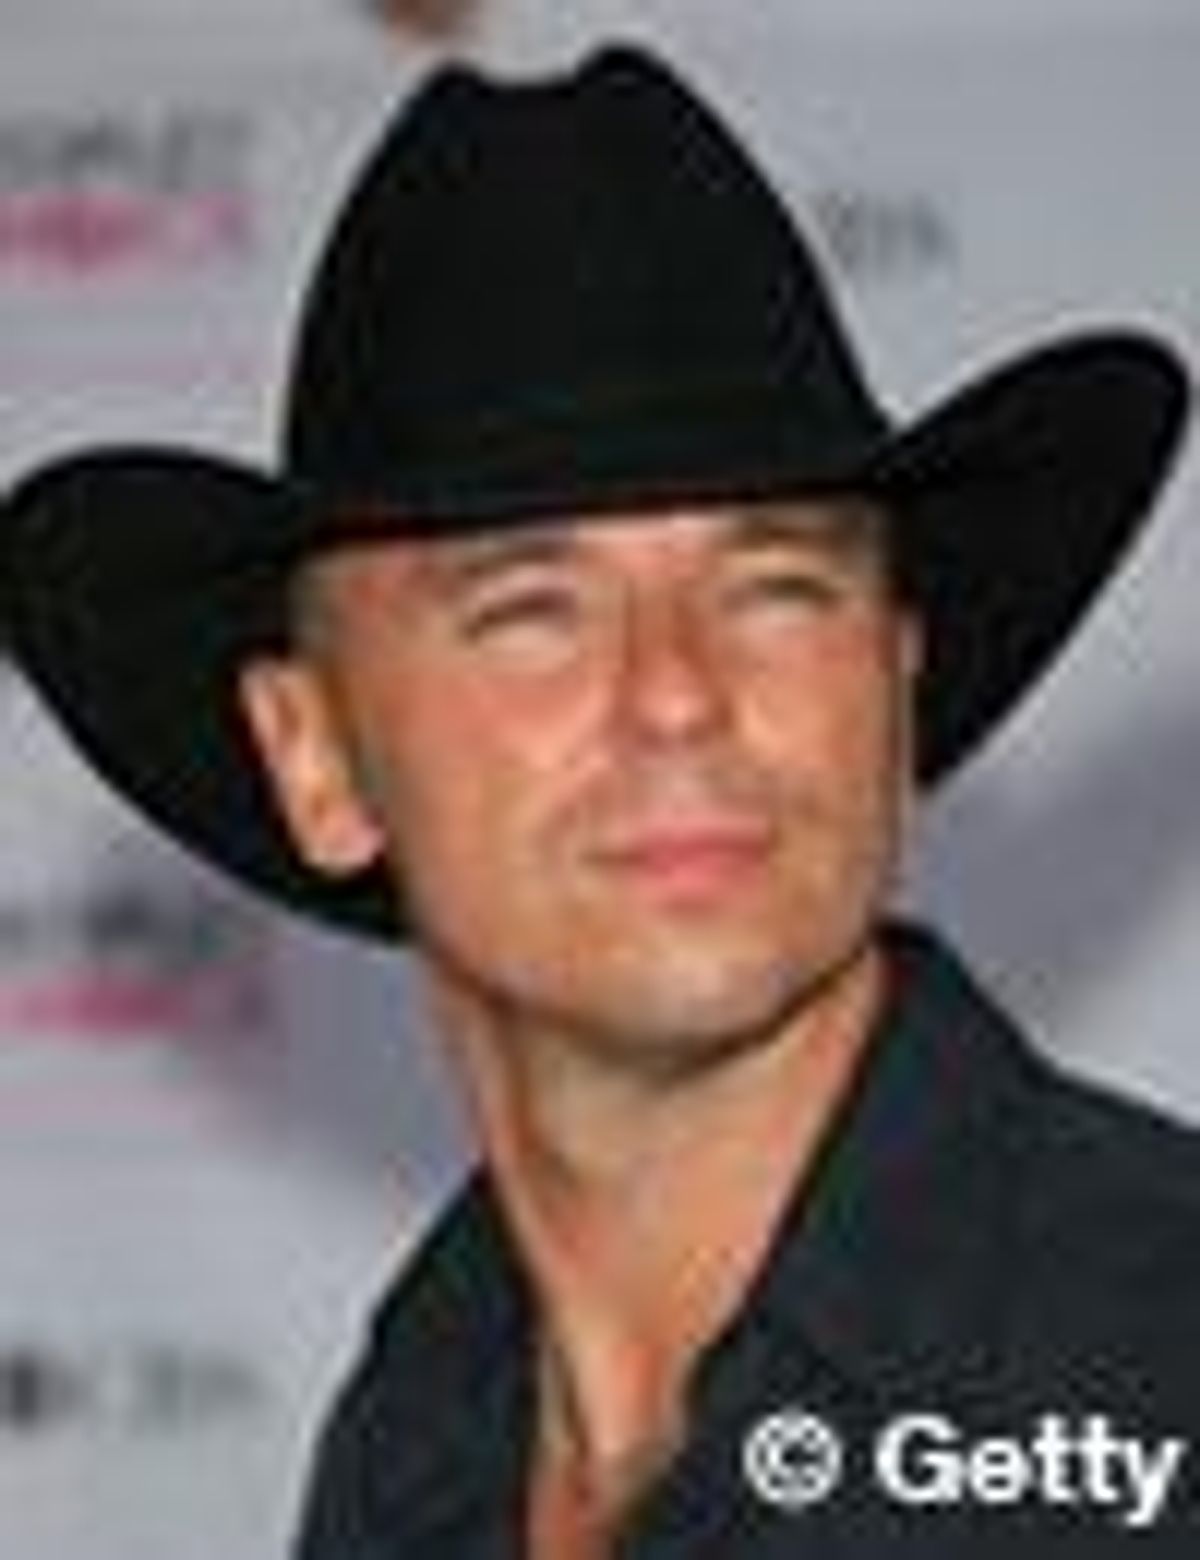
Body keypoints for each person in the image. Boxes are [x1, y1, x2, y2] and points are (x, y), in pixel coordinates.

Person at [2, 42, 1198, 1560]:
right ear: (316, 760)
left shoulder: (1153, 1379)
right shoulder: (421, 1431)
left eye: (776, 586)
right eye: (532, 611)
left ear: (895, 685)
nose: (679, 693)